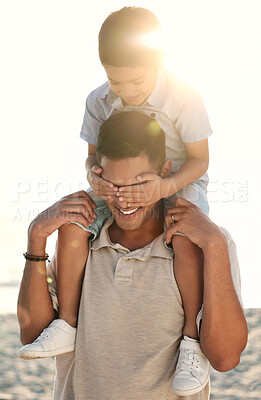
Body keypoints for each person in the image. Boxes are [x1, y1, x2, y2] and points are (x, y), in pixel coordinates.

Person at [21, 6, 213, 395]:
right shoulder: (98, 100)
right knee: (75, 222)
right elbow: (93, 156)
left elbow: (200, 161)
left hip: (173, 182)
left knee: (188, 240)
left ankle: (192, 342)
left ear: (159, 61)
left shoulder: (183, 97)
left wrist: (162, 188)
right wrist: (94, 174)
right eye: (116, 81)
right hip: (117, 185)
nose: (126, 93)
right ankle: (68, 324)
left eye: (136, 82)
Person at [17, 111, 247, 400]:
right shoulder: (77, 242)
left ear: (165, 172)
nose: (123, 199)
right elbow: (32, 336)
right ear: (97, 176)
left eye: (137, 185)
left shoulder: (207, 244)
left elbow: (225, 358)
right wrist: (36, 237)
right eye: (113, 186)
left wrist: (214, 246)